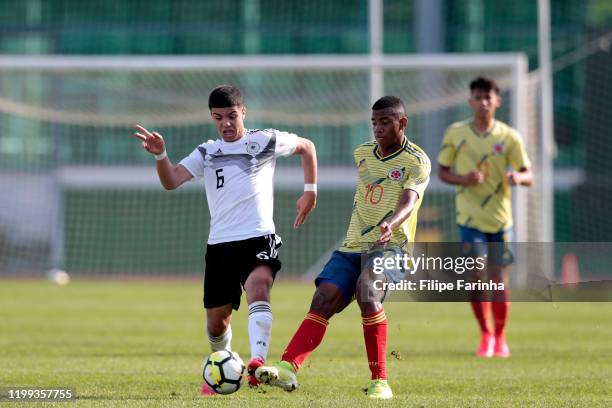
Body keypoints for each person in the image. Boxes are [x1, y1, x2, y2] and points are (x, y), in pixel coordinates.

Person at [132, 85, 317, 394]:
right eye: (219, 118)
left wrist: (310, 191)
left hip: (258, 237)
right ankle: (222, 362)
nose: (226, 124)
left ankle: (258, 365)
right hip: (220, 245)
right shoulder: (206, 151)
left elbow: (307, 147)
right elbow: (171, 181)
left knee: (259, 288)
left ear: (243, 112)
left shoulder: (263, 140)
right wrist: (161, 155)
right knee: (217, 322)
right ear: (212, 118)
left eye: (232, 116)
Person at [255, 96, 431, 400]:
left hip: (393, 248)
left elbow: (409, 201)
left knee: (368, 290)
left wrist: (392, 223)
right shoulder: (362, 153)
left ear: (402, 123)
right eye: (374, 122)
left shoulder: (416, 160)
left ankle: (380, 381)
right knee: (324, 299)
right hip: (352, 246)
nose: (377, 127)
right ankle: (288, 367)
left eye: (385, 121)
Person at [437, 77, 533, 358]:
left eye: (488, 97)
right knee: (476, 276)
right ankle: (486, 335)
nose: (484, 102)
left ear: (498, 101)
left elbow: (529, 174)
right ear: (471, 102)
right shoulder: (456, 133)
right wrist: (462, 178)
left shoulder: (509, 137)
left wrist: (518, 177)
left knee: (499, 281)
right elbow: (442, 172)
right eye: (478, 97)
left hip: (501, 220)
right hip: (469, 219)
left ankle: (501, 337)